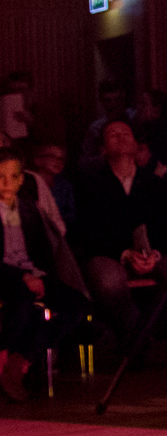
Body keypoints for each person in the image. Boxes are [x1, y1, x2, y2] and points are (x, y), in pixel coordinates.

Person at [68, 120, 167, 347]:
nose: (120, 136)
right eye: (112, 134)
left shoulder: (154, 184)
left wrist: (154, 254)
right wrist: (125, 253)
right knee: (108, 282)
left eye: (125, 132)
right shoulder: (90, 185)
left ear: (137, 144)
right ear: (103, 149)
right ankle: (137, 338)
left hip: (152, 251)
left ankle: (155, 330)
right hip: (110, 254)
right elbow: (88, 232)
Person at [0, 151, 90, 401]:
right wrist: (23, 277)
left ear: (21, 180)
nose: (7, 183)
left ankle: (22, 357)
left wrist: (42, 277)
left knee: (76, 306)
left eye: (13, 177)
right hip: (6, 275)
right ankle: (4, 355)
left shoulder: (28, 208)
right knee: (23, 301)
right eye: (0, 177)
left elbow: (43, 250)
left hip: (31, 272)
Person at [30, 141, 75, 229]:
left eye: (61, 159)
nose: (57, 161)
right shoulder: (30, 184)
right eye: (52, 157)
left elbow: (70, 215)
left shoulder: (65, 187)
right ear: (37, 160)